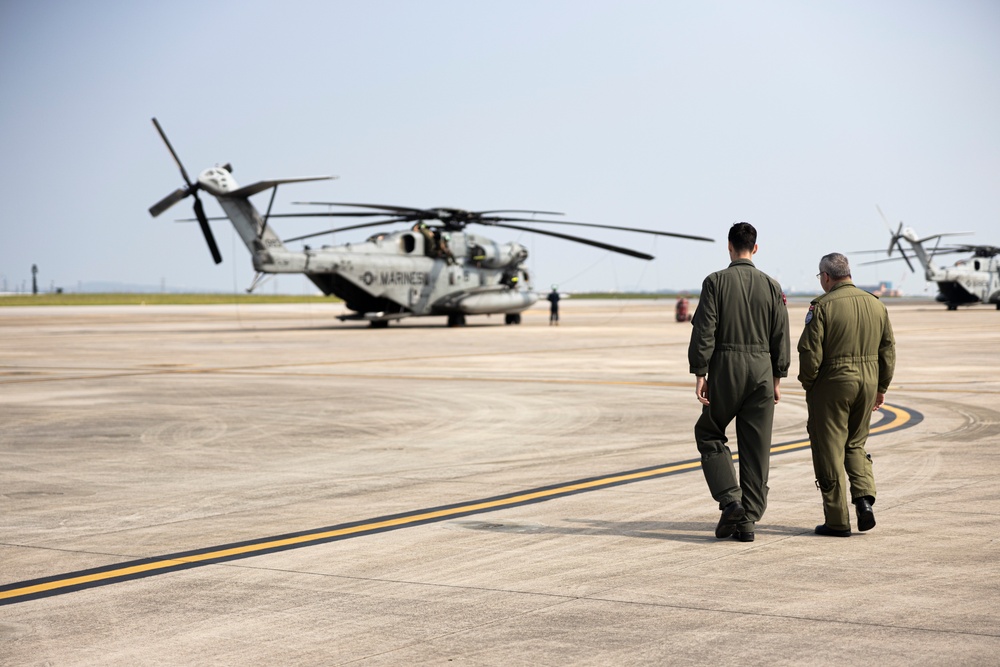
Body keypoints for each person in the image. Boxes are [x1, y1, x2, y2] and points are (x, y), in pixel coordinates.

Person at [689, 222, 790, 542]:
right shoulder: (772, 285)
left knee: (708, 432)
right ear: (755, 248)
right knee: (756, 449)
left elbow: (705, 330)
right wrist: (777, 376)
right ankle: (746, 522)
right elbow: (781, 334)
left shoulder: (716, 281)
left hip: (727, 367)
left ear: (729, 247)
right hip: (762, 369)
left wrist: (700, 372)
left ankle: (731, 500)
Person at [798, 253, 895, 537]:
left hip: (833, 383)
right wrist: (881, 387)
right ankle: (864, 501)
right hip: (867, 382)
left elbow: (809, 352)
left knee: (829, 449)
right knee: (855, 444)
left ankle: (837, 520)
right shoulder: (876, 304)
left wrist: (810, 383)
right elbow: (887, 350)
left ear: (826, 276)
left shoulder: (822, 306)